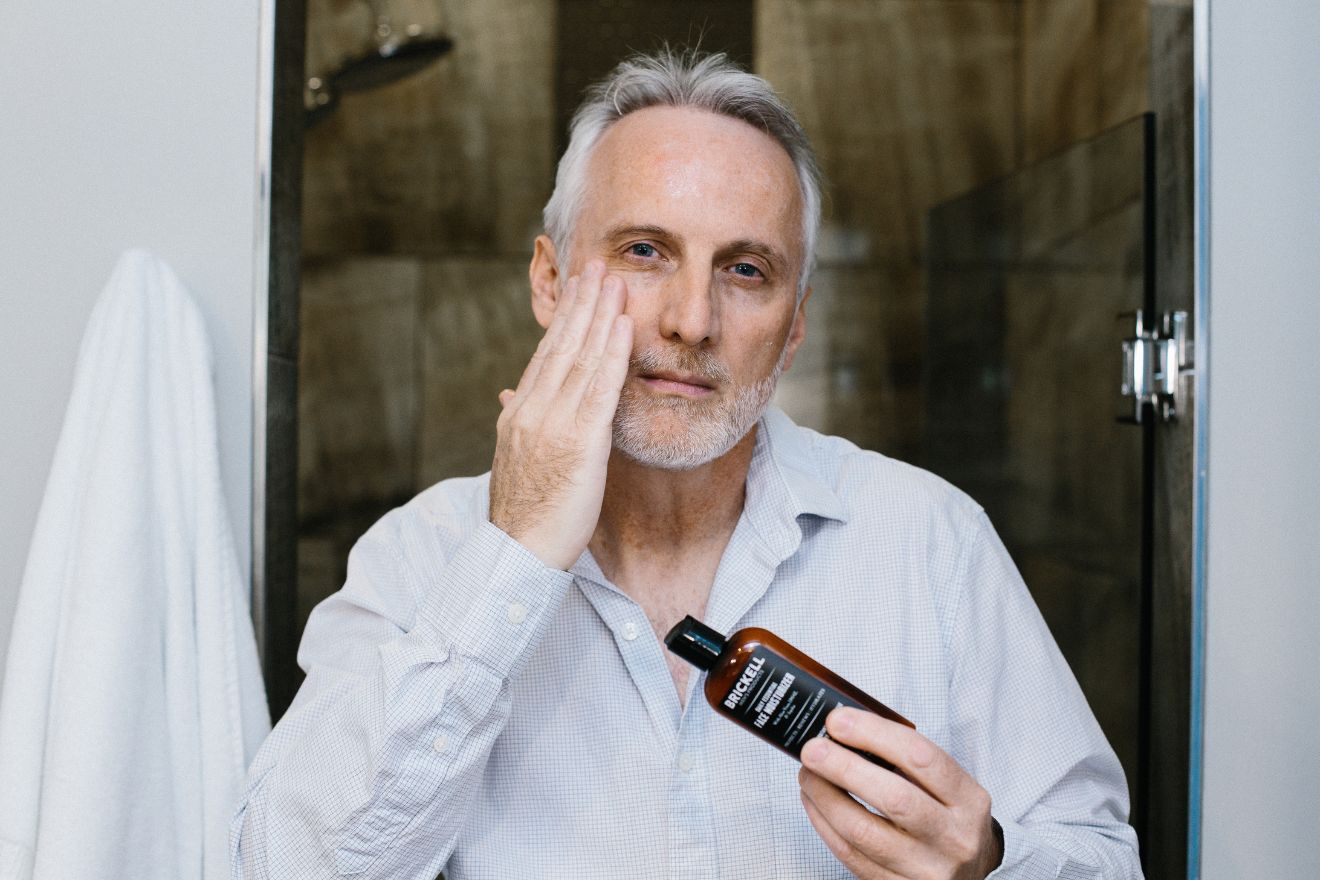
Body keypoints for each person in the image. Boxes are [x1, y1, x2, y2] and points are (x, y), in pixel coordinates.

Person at [232, 49, 1142, 879]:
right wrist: (512, 562)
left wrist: (988, 863)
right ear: (549, 282)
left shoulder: (929, 540)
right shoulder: (422, 554)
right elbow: (284, 866)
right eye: (643, 252)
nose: (692, 320)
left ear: (794, 327)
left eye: (746, 270)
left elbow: (1100, 857)